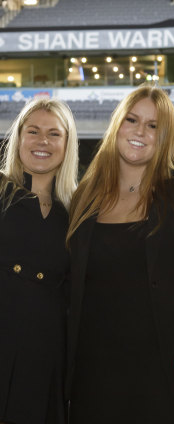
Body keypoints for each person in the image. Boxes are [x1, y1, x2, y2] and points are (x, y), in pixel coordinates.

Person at [65, 84, 174, 424]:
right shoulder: (85, 195)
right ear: (117, 124)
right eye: (132, 120)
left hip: (164, 375)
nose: (140, 132)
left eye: (153, 125)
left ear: (165, 136)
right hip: (93, 372)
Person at [0, 97, 78, 424]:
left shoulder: (79, 210)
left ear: (67, 143)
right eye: (32, 131)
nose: (42, 141)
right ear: (18, 139)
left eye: (54, 133)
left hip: (49, 354)